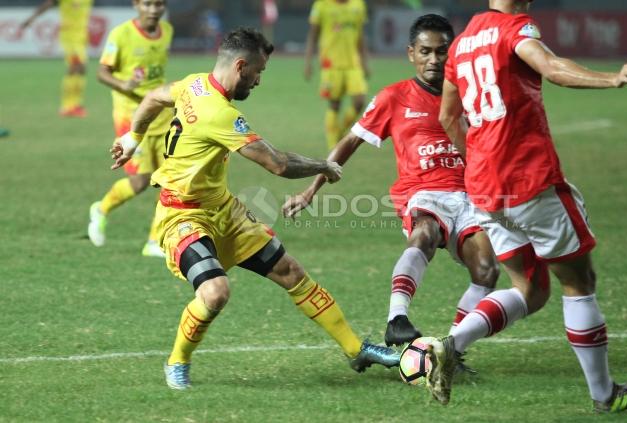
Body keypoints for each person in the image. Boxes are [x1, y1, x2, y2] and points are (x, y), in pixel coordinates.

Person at [110, 27, 399, 390]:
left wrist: (132, 138)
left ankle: (356, 350)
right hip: (181, 215)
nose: (259, 81)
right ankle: (177, 361)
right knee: (215, 292)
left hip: (224, 210)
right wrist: (323, 166)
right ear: (241, 65)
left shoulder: (194, 84)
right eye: (258, 72)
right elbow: (277, 164)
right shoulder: (219, 113)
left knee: (291, 272)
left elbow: (154, 97)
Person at [425, 0, 627, 413]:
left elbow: (447, 115)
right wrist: (612, 78)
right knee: (579, 282)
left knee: (530, 290)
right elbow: (551, 68)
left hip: (484, 191)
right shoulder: (516, 28)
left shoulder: (461, 43)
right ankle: (605, 395)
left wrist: (479, 158)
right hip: (528, 181)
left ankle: (450, 345)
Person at [284, 14, 550, 358]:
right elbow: (350, 142)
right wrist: (312, 189)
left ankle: (449, 352)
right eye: (425, 51)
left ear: (453, 53)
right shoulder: (394, 97)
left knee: (487, 269)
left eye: (442, 52)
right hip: (422, 192)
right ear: (411, 53)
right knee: (424, 233)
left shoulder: (471, 96)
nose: (434, 60)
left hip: (472, 195)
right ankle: (397, 319)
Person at [86, 0, 172, 257]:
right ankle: (101, 209)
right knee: (140, 181)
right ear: (136, 5)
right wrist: (124, 85)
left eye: (159, 4)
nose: (154, 10)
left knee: (171, 180)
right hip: (131, 118)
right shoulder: (121, 34)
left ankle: (154, 242)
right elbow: (102, 72)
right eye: (148, 4)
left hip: (162, 115)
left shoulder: (167, 30)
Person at [304, 0, 370, 150]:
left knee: (359, 102)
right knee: (335, 104)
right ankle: (333, 145)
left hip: (354, 64)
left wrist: (365, 61)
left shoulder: (358, 5)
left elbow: (360, 35)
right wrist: (308, 62)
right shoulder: (321, 5)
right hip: (331, 64)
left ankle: (339, 133)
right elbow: (313, 35)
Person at [20, 0, 92, 117]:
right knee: (75, 66)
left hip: (82, 36)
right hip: (69, 36)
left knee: (82, 69)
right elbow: (49, 3)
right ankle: (67, 106)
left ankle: (76, 104)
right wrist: (31, 19)